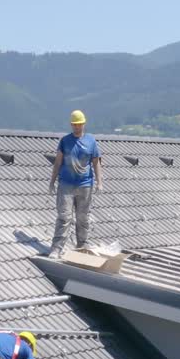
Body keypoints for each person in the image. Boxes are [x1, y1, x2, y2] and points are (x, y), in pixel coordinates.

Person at [47, 110, 102, 258]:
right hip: (66, 185)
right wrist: (52, 182)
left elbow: (96, 163)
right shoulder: (65, 141)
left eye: (79, 124)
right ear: (71, 125)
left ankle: (82, 246)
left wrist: (99, 182)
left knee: (83, 217)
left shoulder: (91, 141)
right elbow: (58, 162)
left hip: (85, 185)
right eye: (74, 125)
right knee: (64, 217)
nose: (77, 127)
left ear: (84, 124)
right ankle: (56, 248)